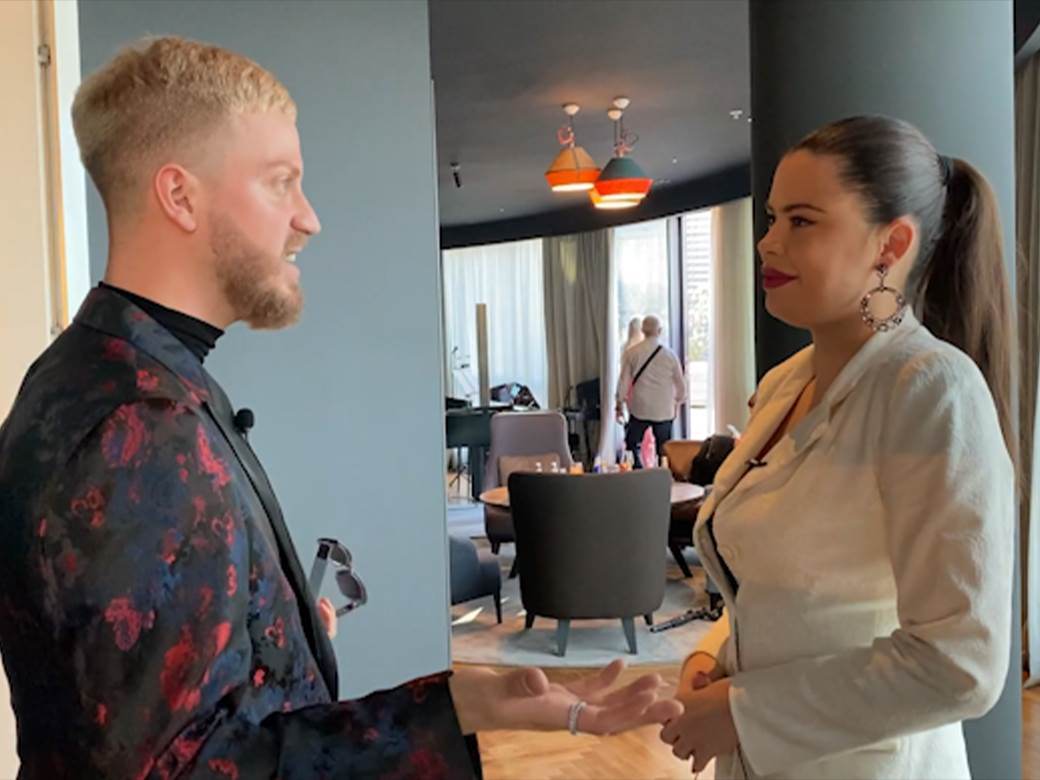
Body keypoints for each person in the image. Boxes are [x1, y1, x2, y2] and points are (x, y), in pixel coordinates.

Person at [0, 37, 681, 779]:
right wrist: (451, 711)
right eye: (280, 183)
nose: (308, 219)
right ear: (180, 196)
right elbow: (191, 770)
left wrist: (283, 636)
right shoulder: (137, 425)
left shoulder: (106, 376)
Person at [659, 115, 1015, 779]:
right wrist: (714, 654)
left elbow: (961, 663)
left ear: (891, 244)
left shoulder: (929, 389)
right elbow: (787, 592)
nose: (767, 242)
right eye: (772, 218)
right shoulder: (784, 384)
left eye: (801, 221)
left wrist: (744, 712)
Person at [615, 315, 687, 467]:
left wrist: (619, 402)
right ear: (659, 331)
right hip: (663, 410)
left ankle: (638, 471)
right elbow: (681, 386)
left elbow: (624, 381)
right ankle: (661, 474)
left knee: (632, 444)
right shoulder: (670, 355)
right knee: (664, 449)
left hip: (640, 408)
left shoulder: (632, 353)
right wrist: (677, 402)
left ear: (642, 330)